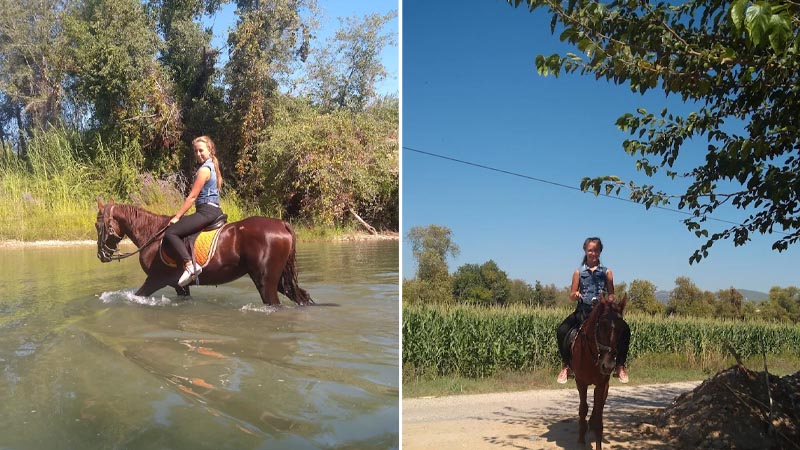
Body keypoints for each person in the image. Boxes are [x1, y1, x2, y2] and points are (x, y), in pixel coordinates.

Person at [556, 237, 631, 384]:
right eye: (590, 250)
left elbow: (611, 294)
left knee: (625, 330)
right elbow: (571, 295)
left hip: (602, 312)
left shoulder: (607, 272)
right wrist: (575, 295)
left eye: (596, 250)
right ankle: (566, 366)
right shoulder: (579, 272)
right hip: (583, 311)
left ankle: (620, 365)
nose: (593, 253)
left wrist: (610, 300)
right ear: (585, 251)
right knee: (561, 330)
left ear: (600, 251)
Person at [164, 135, 224, 287]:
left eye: (201, 150)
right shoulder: (213, 167)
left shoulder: (204, 169)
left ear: (210, 150)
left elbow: (192, 198)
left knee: (171, 232)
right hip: (215, 210)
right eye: (196, 151)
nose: (198, 154)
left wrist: (177, 217)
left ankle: (190, 265)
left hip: (206, 212)